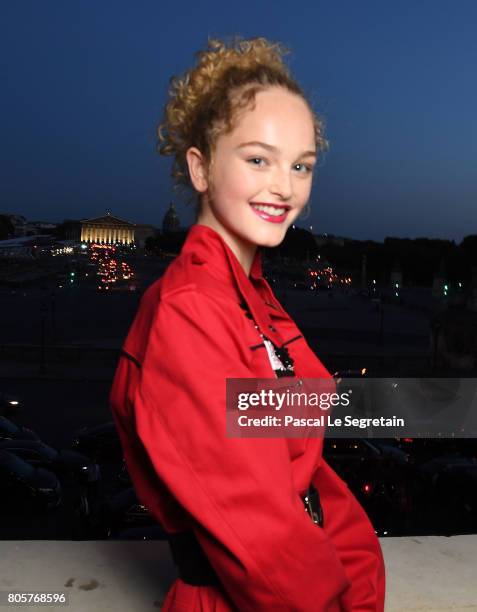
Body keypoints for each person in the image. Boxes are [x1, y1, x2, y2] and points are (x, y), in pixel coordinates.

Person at [109, 36, 386, 611]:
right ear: (201, 168)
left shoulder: (249, 300)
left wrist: (356, 578)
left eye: (301, 166)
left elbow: (305, 481)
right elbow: (257, 531)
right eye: (258, 159)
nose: (285, 187)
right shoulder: (190, 310)